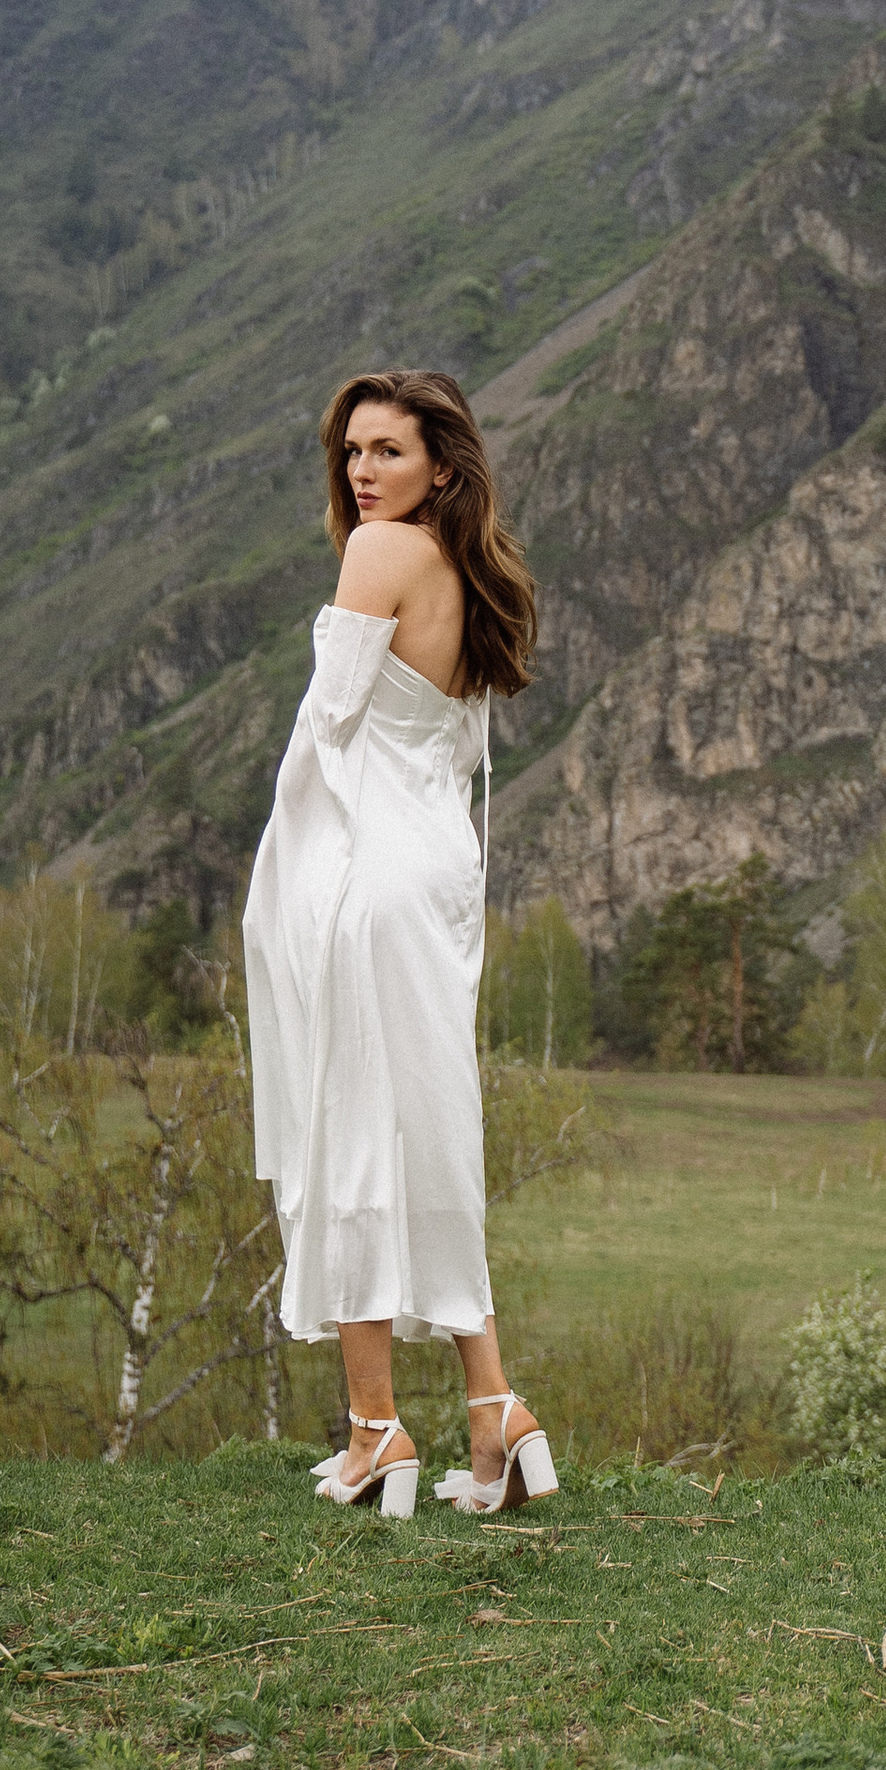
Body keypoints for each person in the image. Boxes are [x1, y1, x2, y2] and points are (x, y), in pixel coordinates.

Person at [243, 367, 555, 1517]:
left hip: (366, 872)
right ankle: (494, 1408)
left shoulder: (380, 555)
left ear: (440, 465)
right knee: (427, 1126)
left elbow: (323, 731)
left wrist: (274, 894)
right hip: (435, 874)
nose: (362, 473)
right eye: (352, 453)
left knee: (353, 1130)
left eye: (386, 451)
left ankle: (378, 1431)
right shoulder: (471, 572)